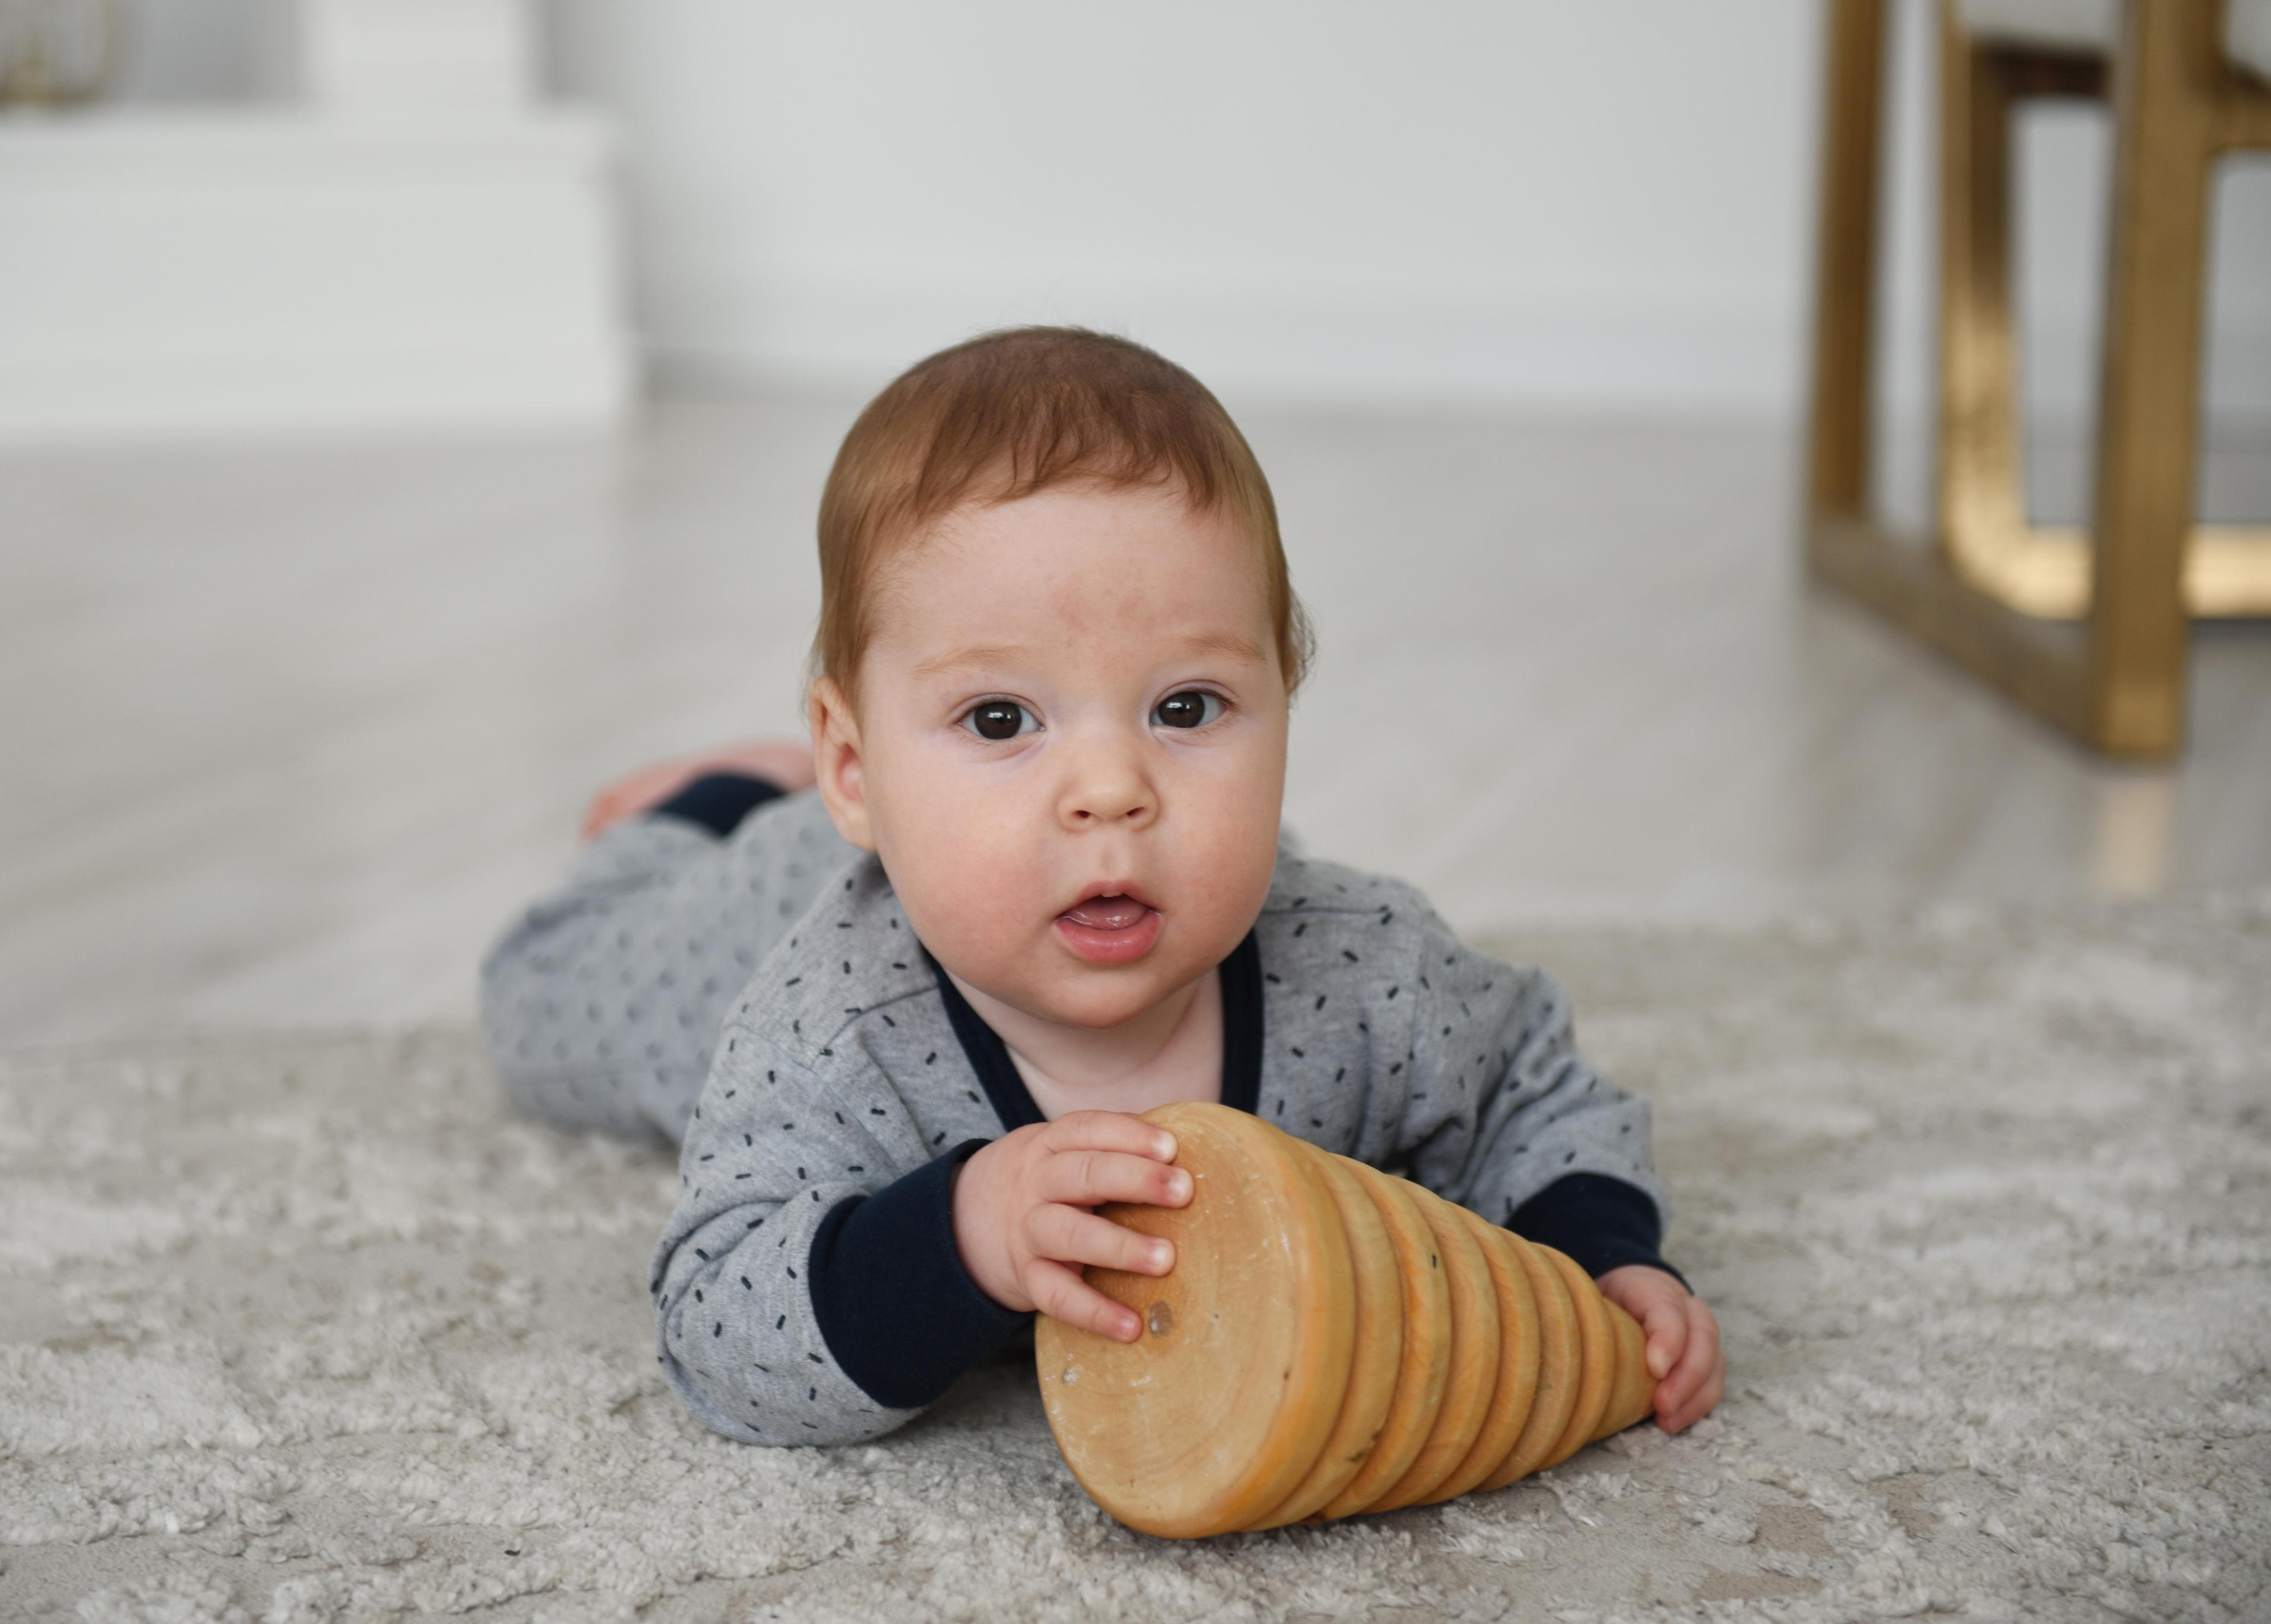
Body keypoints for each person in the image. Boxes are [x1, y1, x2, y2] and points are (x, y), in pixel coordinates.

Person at [481, 327, 1724, 1452]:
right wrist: (958, 1234)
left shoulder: (1361, 966)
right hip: (779, 895)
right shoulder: (828, 1025)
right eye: (1001, 716)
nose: (1110, 789)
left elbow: (1535, 1085)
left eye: (1186, 708)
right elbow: (714, 1326)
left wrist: (1596, 1262)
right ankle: (710, 802)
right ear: (857, 766)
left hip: (898, 830)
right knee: (539, 1008)